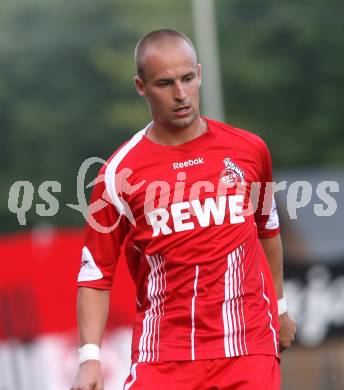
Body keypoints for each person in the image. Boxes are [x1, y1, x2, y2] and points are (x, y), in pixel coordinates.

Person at [71, 29, 296, 390]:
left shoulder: (249, 151)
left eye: (187, 78)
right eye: (164, 83)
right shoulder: (116, 175)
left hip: (246, 345)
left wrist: (280, 308)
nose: (180, 94)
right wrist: (89, 360)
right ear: (141, 87)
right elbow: (95, 276)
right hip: (163, 354)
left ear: (200, 74)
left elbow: (267, 232)